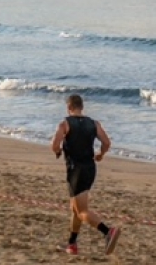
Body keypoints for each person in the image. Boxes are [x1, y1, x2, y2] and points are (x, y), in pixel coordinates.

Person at [50, 94, 120, 256]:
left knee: (82, 210)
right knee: (75, 209)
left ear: (69, 107)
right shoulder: (93, 124)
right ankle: (72, 244)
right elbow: (107, 143)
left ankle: (108, 232)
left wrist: (58, 151)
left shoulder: (65, 123)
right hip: (90, 168)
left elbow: (54, 145)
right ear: (82, 107)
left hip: (76, 170)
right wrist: (101, 155)